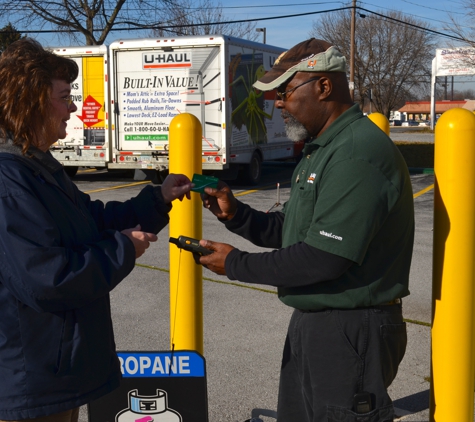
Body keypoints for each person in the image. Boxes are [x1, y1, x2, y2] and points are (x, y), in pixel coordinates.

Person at [198, 38, 414, 422]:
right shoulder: (324, 148)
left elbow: (325, 257)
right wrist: (238, 216)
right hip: (320, 323)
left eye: (285, 91)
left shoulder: (355, 152)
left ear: (324, 87)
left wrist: (236, 265)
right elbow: (296, 232)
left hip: (352, 329)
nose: (277, 103)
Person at [0, 38, 193, 421]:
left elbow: (92, 220)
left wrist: (158, 199)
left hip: (55, 377)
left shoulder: (38, 167)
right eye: (63, 96)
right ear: (30, 101)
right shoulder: (9, 179)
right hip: (32, 382)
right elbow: (46, 278)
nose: (72, 107)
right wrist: (122, 250)